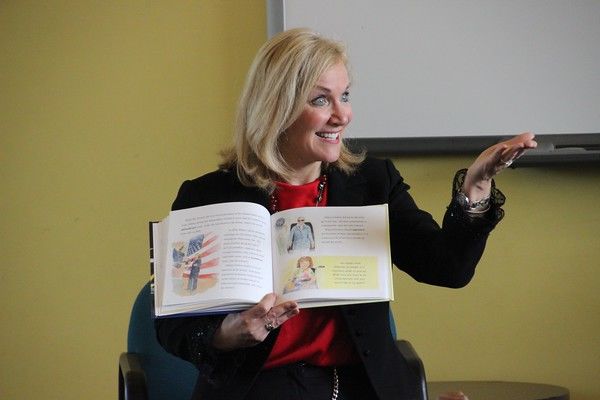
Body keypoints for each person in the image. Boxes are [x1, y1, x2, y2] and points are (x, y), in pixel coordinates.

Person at [155, 28, 537, 400]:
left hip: (360, 387)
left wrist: (477, 186)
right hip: (255, 389)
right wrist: (229, 332)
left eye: (345, 95)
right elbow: (172, 328)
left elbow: (448, 268)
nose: (343, 115)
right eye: (321, 100)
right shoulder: (207, 196)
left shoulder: (372, 183)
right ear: (276, 107)